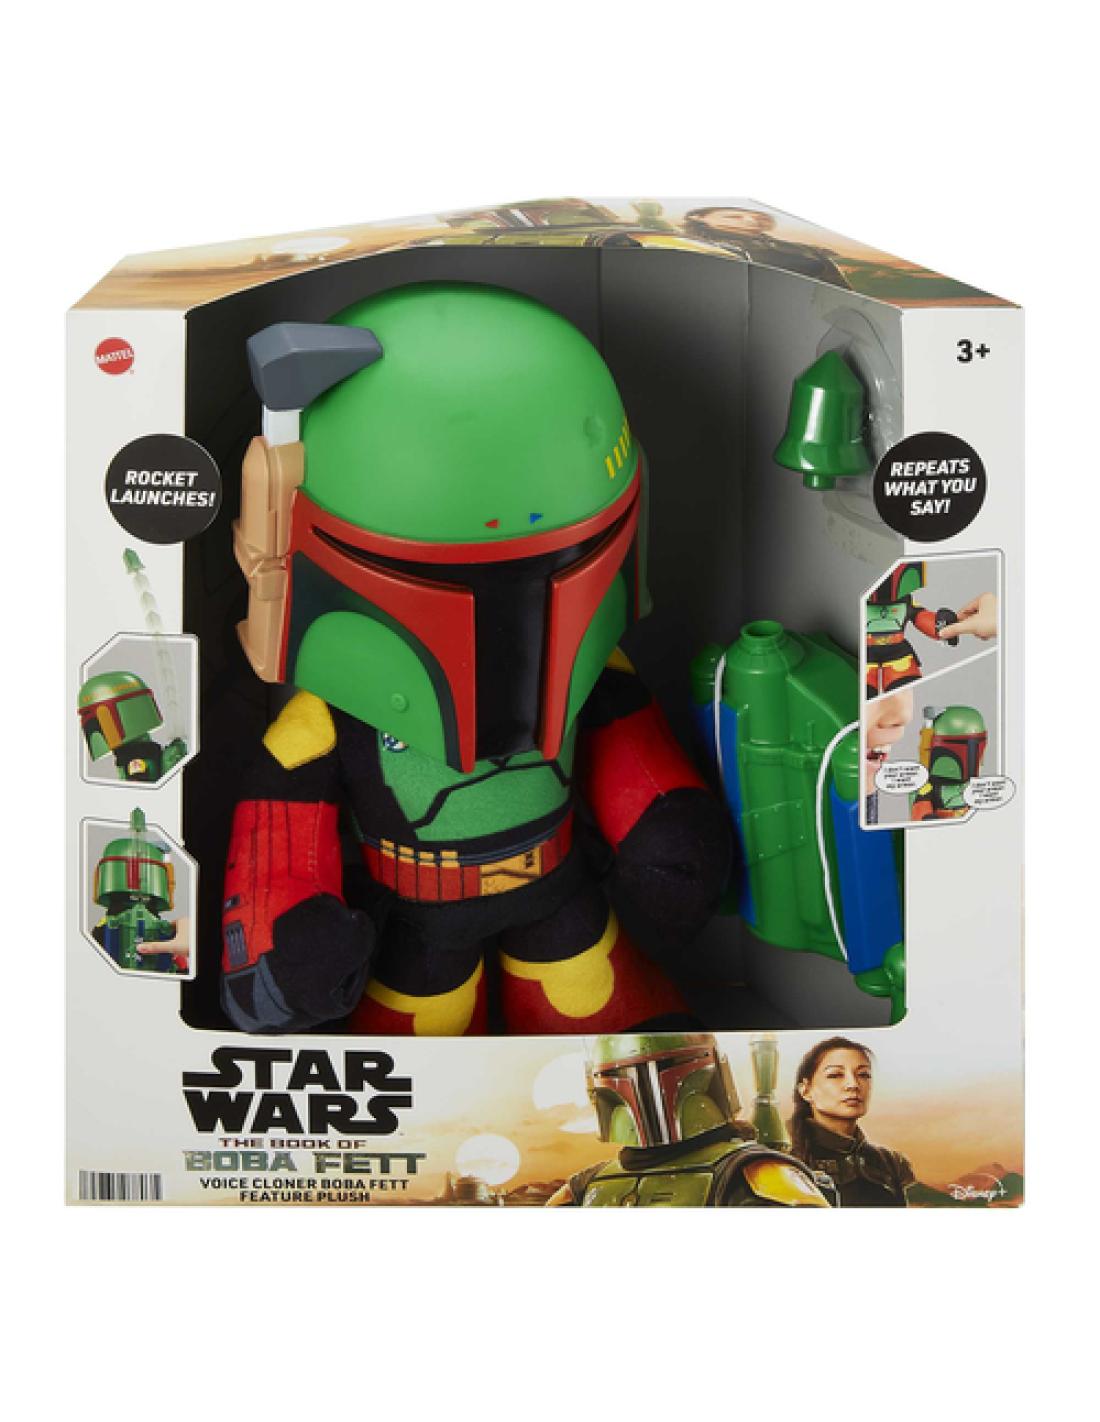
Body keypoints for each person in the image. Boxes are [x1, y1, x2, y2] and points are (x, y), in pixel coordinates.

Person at [788, 1037, 914, 1207]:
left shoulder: (891, 1163)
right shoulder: (784, 1159)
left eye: (863, 1075)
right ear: (805, 1090)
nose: (853, 1084)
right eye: (835, 1075)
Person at [682, 207, 850, 287]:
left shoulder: (805, 251)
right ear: (699, 217)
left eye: (760, 220)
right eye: (734, 217)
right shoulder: (687, 245)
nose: (751, 222)